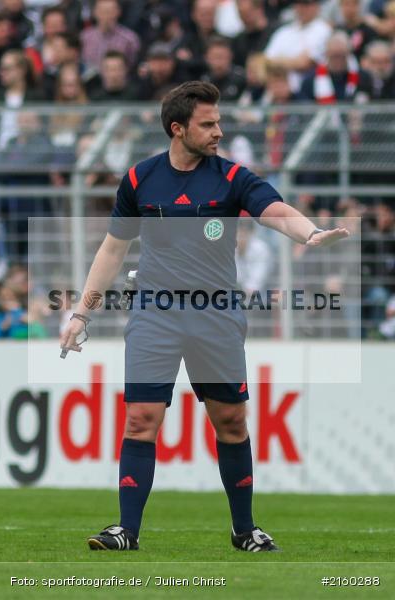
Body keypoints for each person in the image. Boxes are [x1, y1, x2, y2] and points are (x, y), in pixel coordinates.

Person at [60, 81, 349, 553]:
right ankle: (125, 531)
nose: (219, 131)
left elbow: (273, 210)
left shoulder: (233, 177)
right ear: (178, 129)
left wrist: (309, 233)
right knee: (141, 419)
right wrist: (81, 315)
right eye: (209, 124)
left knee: (231, 422)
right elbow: (113, 249)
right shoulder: (139, 179)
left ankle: (244, 530)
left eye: (219, 122)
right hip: (155, 313)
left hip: (215, 315)